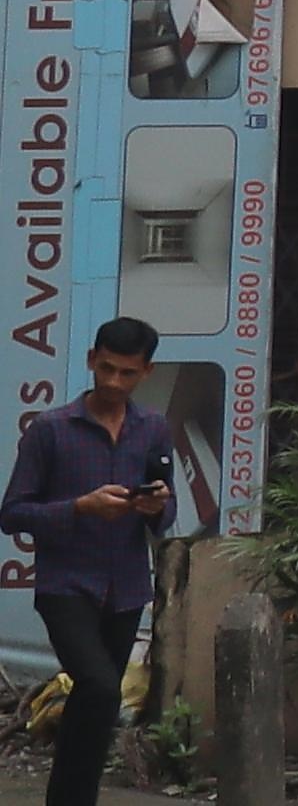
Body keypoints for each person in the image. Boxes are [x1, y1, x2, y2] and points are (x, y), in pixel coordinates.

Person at [2, 318, 176, 806]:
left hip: (126, 587)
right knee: (99, 686)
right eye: (106, 369)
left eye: (127, 373)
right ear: (90, 360)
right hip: (66, 585)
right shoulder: (51, 430)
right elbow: (12, 513)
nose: (114, 382)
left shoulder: (152, 428)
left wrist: (155, 505)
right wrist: (80, 507)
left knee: (98, 701)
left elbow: (167, 512)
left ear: (146, 372)